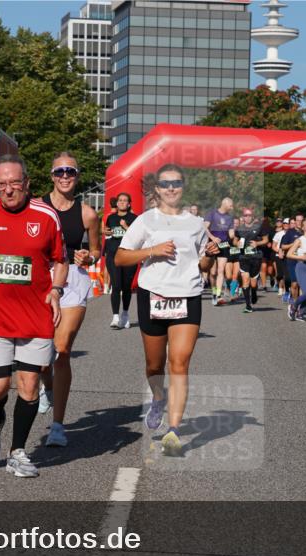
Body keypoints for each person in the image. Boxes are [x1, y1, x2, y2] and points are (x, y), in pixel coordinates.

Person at [0, 154, 68, 479]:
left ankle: (17, 452)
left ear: (27, 184)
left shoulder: (47, 217)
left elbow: (60, 259)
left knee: (30, 385)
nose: (8, 191)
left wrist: (57, 289)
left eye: (14, 184)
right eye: (1, 184)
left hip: (36, 316)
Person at [115, 164, 218, 456]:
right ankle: (158, 398)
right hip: (154, 295)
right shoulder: (146, 221)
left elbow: (201, 266)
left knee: (180, 363)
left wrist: (209, 257)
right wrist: (152, 250)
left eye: (176, 183)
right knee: (154, 365)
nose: (171, 188)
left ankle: (173, 430)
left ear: (183, 187)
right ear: (157, 189)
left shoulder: (196, 224)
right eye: (165, 183)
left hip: (188, 295)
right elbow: (122, 258)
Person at [37, 152, 101, 447]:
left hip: (73, 281)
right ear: (51, 175)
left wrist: (89, 256)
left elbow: (97, 252)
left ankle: (58, 425)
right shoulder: (36, 207)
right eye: (60, 171)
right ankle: (46, 387)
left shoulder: (87, 213)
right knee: (40, 356)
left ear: (77, 176)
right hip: (40, 280)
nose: (65, 176)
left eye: (71, 172)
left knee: (62, 349)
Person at [103, 192, 137, 329]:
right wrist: (107, 233)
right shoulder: (110, 218)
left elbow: (137, 237)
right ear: (116, 204)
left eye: (125, 201)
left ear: (129, 204)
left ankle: (125, 314)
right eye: (120, 200)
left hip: (129, 255)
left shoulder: (134, 218)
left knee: (126, 287)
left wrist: (126, 227)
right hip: (113, 254)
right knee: (116, 285)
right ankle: (115, 317)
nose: (122, 202)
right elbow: (108, 233)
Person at [230, 208, 268, 313]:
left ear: (253, 216)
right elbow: (234, 240)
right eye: (246, 215)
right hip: (243, 258)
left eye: (250, 215)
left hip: (256, 258)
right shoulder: (240, 229)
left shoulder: (259, 227)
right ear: (243, 217)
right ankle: (248, 306)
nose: (248, 217)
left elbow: (266, 240)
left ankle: (254, 292)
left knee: (254, 283)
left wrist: (257, 244)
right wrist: (237, 244)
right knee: (245, 279)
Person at [205, 197, 234, 305]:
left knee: (221, 271)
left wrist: (234, 235)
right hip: (212, 244)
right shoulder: (212, 214)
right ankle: (213, 292)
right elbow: (204, 228)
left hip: (224, 245)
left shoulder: (230, 218)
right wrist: (212, 237)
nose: (232, 208)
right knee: (213, 273)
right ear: (225, 204)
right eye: (231, 206)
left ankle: (218, 295)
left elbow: (231, 233)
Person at [279, 215, 304, 306]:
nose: (299, 222)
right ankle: (294, 303)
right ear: (295, 221)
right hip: (292, 261)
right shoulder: (290, 232)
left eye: (301, 220)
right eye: (297, 220)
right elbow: (283, 246)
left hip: (303, 261)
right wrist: (294, 244)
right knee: (294, 284)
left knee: (302, 285)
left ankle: (298, 305)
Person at [272, 219, 289, 297]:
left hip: (289, 256)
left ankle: (286, 289)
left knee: (287, 274)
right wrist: (279, 251)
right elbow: (273, 246)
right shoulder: (278, 234)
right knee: (280, 274)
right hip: (279, 256)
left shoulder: (292, 234)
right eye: (285, 223)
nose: (286, 225)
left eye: (287, 223)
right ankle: (280, 288)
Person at [259, 216, 276, 291]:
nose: (263, 222)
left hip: (270, 251)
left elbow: (275, 240)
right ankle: (264, 285)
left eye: (264, 220)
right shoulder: (258, 229)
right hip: (261, 250)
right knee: (263, 267)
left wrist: (271, 243)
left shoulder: (271, 230)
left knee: (270, 270)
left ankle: (272, 277)